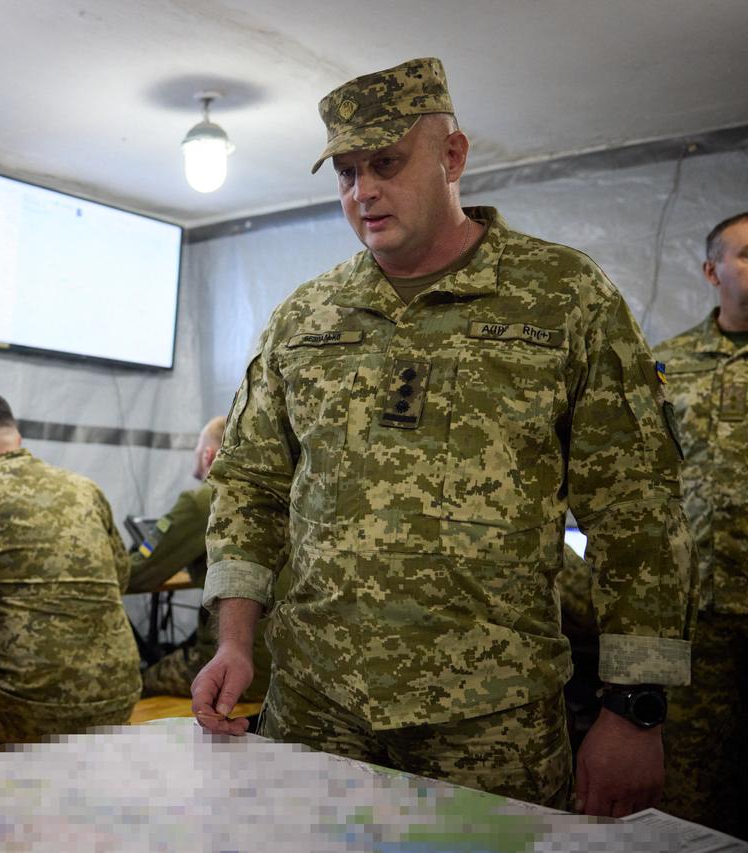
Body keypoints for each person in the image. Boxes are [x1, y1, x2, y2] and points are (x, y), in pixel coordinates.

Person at [192, 57, 696, 818]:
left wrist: (634, 709)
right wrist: (234, 642)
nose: (364, 191)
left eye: (387, 163)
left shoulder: (562, 298)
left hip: (491, 720)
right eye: (348, 172)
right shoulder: (307, 318)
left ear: (452, 157)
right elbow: (251, 487)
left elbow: (637, 509)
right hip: (317, 706)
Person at [0, 391, 141, 743]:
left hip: (28, 708)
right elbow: (122, 576)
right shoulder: (85, 489)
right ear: (18, 441)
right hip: (119, 697)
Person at [652, 212, 748, 837]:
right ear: (713, 272)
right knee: (684, 782)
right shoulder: (667, 365)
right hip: (701, 615)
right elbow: (639, 483)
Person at [126, 416, 275, 701]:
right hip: (282, 662)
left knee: (138, 681)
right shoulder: (274, 498)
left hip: (238, 666)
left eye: (196, 449)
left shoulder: (204, 500)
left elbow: (139, 574)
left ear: (208, 454)